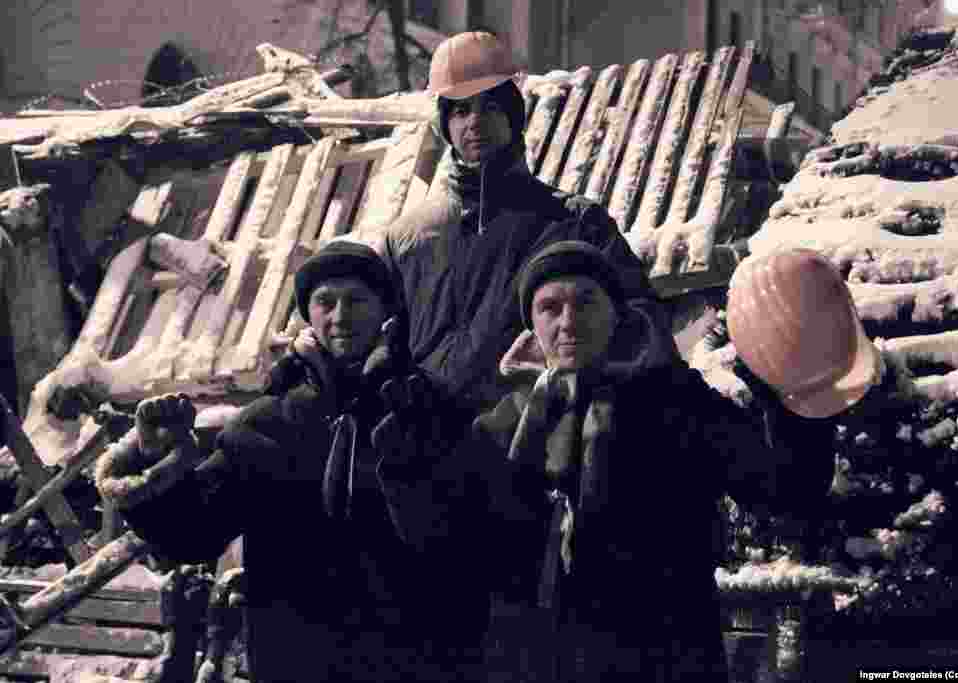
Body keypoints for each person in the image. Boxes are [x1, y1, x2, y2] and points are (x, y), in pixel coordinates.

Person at [467, 241, 869, 681]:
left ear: (616, 312)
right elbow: (465, 547)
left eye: (585, 302)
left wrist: (789, 400)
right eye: (549, 307)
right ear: (531, 324)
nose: (568, 321)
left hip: (669, 657)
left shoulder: (675, 401)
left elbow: (787, 488)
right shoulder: (505, 425)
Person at [94, 239, 489, 682]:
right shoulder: (269, 423)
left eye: (357, 300)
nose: (340, 316)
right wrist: (154, 458)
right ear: (308, 314)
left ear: (385, 309)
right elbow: (193, 534)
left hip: (410, 661)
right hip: (297, 661)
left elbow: (468, 543)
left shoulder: (427, 409)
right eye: (326, 302)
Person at [378, 31, 674, 409]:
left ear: (514, 114)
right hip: (431, 436)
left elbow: (643, 324)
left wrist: (569, 376)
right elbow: (380, 338)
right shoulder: (407, 236)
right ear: (445, 124)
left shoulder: (575, 223)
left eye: (490, 107)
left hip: (532, 432)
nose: (475, 122)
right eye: (461, 110)